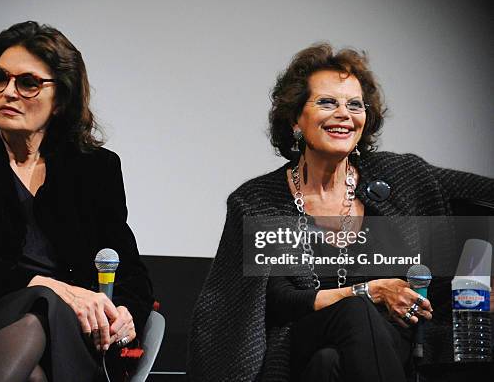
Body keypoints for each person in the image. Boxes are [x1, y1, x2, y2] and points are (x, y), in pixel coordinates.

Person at [188, 43, 494, 382]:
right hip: (299, 345)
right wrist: (369, 291)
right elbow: (281, 300)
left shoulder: (402, 175)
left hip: (395, 348)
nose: (344, 114)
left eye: (354, 104)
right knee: (354, 312)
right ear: (295, 119)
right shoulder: (259, 201)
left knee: (330, 363)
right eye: (327, 102)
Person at [0, 21, 153, 382]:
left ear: (61, 101)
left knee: (39, 346)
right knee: (41, 310)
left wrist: (125, 312)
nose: (8, 92)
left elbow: (130, 272)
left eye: (28, 83)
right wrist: (51, 287)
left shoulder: (95, 169)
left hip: (73, 336)